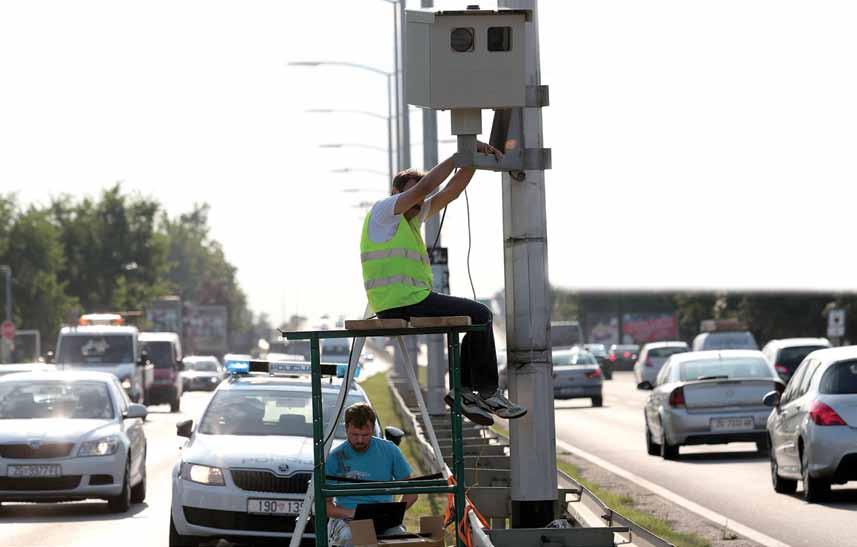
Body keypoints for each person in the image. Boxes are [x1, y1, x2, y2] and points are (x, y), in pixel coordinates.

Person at [359, 143, 526, 426]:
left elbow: (451, 191)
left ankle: (464, 390)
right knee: (481, 314)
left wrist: (472, 159)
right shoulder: (385, 212)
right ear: (397, 194)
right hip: (402, 302)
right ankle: (484, 392)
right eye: (413, 196)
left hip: (408, 301)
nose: (419, 203)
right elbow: (426, 187)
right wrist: (456, 156)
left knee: (473, 318)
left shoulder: (412, 217)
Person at [326, 403, 416, 546]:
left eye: (365, 435)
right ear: (346, 428)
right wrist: (351, 513)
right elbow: (325, 505)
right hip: (347, 520)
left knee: (399, 538)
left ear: (373, 429)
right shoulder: (335, 457)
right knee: (351, 537)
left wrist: (393, 514)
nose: (360, 440)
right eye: (355, 435)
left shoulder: (390, 451)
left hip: (383, 520)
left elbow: (411, 491)